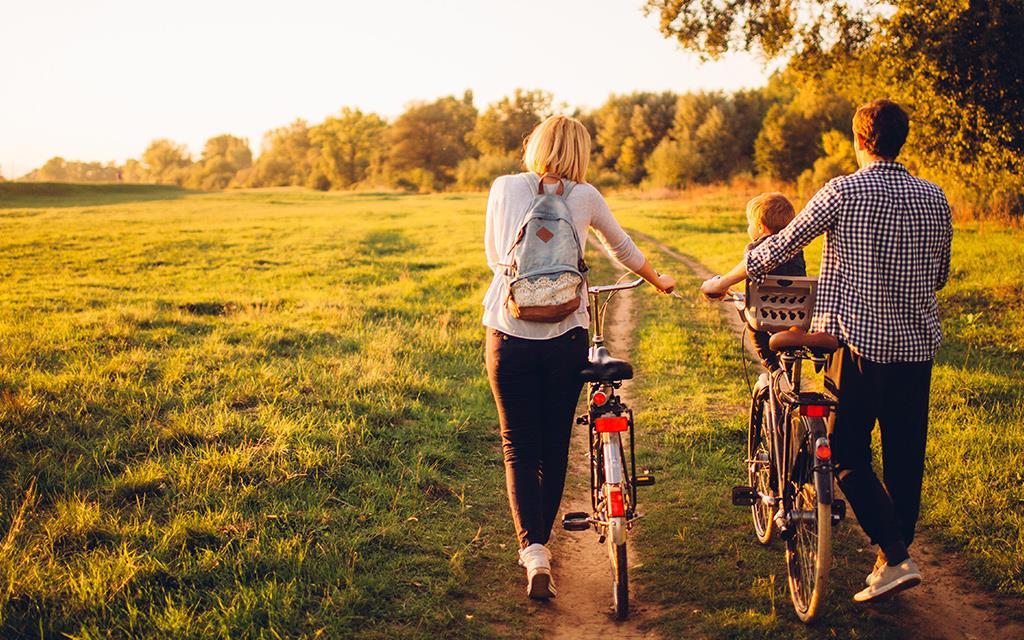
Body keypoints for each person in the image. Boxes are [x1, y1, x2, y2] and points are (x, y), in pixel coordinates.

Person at [700, 99, 953, 603]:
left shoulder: (844, 190)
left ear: (859, 140)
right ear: (901, 141)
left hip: (858, 344)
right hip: (917, 347)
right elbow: (940, 275)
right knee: (905, 457)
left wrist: (721, 281)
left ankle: (895, 554)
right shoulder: (935, 197)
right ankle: (892, 554)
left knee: (844, 450)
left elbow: (774, 248)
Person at [484, 115, 676, 599]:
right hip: (565, 337)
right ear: (581, 153)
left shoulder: (504, 187)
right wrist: (660, 281)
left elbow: (494, 257)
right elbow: (623, 249)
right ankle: (543, 540)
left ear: (536, 146)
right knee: (552, 447)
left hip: (509, 333)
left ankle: (534, 555)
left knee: (518, 448)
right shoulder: (585, 196)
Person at [742, 193, 807, 372]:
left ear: (761, 227)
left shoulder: (754, 249)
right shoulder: (797, 249)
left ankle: (769, 362)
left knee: (751, 320)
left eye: (749, 223)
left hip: (766, 310)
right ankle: (790, 356)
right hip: (796, 312)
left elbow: (751, 282)